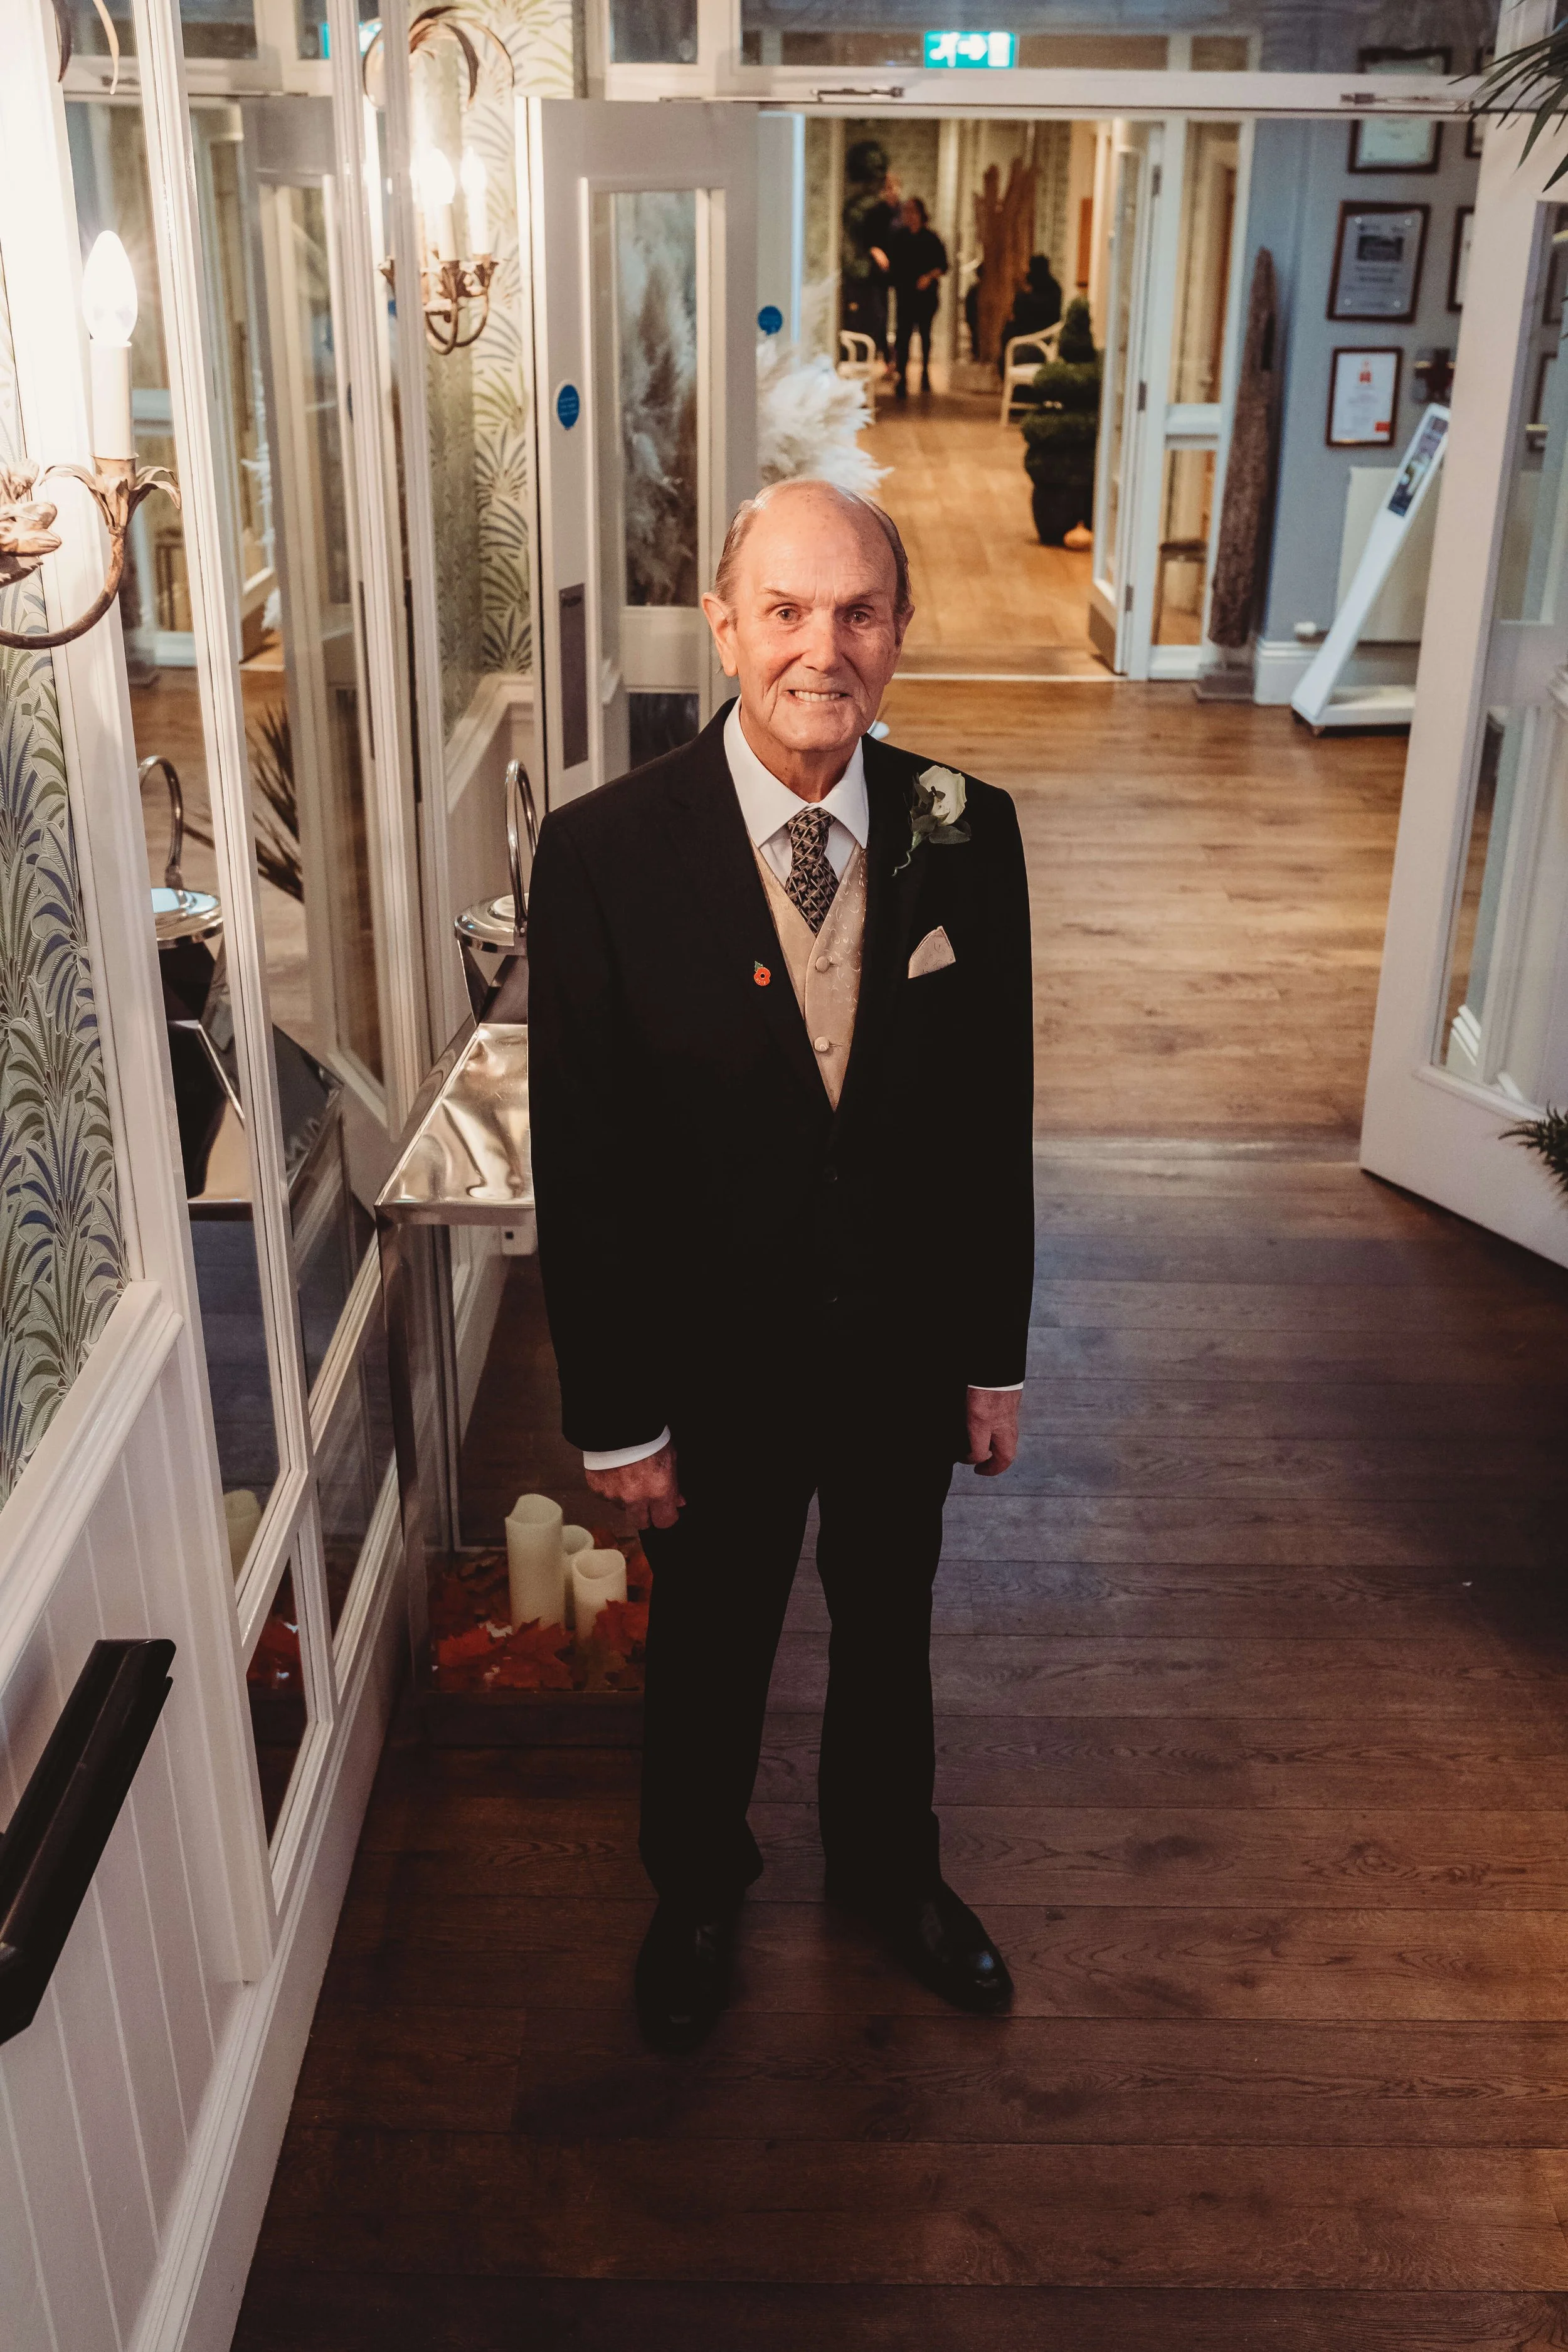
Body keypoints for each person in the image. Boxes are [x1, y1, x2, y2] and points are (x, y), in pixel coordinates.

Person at [527, 480, 1034, 2053]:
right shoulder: (605, 851)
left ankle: (892, 1872)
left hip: (896, 1353)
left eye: (862, 612)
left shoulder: (969, 826)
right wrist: (617, 1416)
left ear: (898, 631)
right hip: (714, 1363)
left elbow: (990, 1117)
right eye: (792, 610)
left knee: (891, 1623)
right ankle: (695, 1885)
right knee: (714, 1636)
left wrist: (990, 1355)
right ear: (727, 623)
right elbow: (586, 1155)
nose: (828, 646)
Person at [888, 196, 948, 399]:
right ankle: (902, 377)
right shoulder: (899, 238)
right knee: (902, 336)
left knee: (925, 335)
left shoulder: (932, 239)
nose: (909, 216)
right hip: (905, 294)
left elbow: (944, 266)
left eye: (913, 212)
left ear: (921, 214)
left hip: (926, 296)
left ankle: (924, 372)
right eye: (906, 212)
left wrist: (929, 277)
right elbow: (893, 266)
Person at [999, 252, 1063, 377]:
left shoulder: (1029, 298)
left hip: (1029, 344)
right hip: (1044, 343)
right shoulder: (1054, 290)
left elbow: (1020, 316)